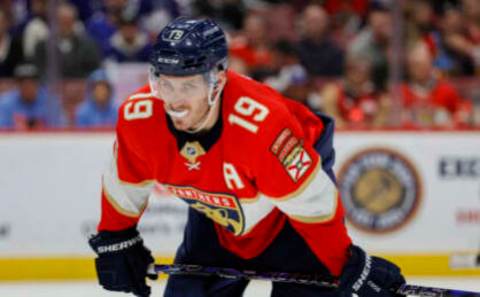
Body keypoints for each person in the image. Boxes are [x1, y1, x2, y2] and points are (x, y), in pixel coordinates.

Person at [88, 17, 405, 297]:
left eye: (188, 86)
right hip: (218, 215)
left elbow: (312, 205)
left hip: (292, 218)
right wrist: (117, 237)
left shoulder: (263, 129)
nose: (175, 102)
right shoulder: (139, 116)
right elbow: (125, 179)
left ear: (218, 80)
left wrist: (345, 262)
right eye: (165, 84)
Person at [0, 63, 65, 130]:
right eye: (22, 82)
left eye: (31, 82)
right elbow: (2, 130)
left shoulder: (50, 102)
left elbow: (59, 128)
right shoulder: (5, 102)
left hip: (45, 139)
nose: (27, 86)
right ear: (17, 84)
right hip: (15, 139)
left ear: (38, 83)